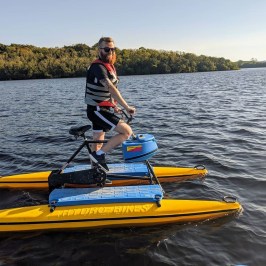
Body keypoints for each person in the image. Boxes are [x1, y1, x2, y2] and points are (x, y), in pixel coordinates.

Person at [85, 37, 136, 171]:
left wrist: (114, 105)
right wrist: (126, 107)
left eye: (112, 49)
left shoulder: (110, 67)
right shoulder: (98, 67)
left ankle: (94, 171)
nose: (110, 51)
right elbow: (110, 88)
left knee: (98, 139)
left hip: (102, 110)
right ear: (100, 50)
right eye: (107, 49)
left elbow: (110, 92)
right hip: (97, 111)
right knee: (126, 132)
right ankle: (99, 156)